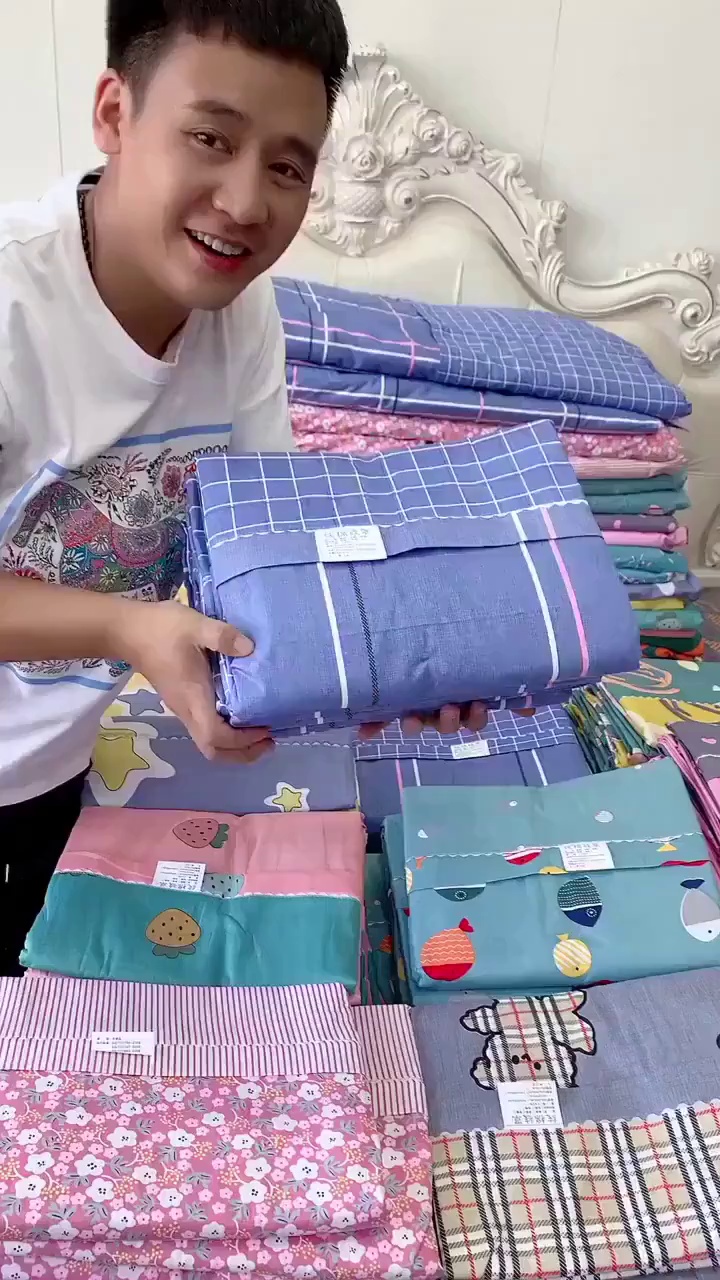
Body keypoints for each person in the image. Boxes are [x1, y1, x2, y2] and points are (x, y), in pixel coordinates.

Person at [0, 0, 494, 976]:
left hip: (54, 772)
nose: (245, 202)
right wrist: (126, 627)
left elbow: (275, 554)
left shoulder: (242, 312)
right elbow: (136, 624)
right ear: (114, 113)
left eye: (287, 167)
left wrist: (400, 662)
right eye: (210, 139)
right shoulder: (13, 306)